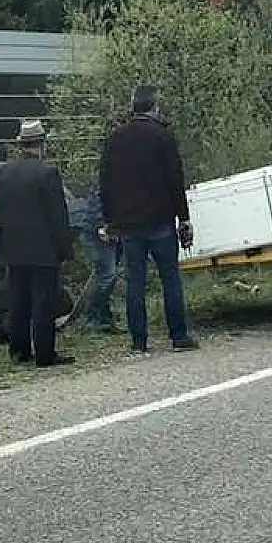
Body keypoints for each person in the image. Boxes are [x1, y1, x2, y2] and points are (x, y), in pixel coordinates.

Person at [97, 84, 199, 354]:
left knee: (135, 281)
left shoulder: (115, 139)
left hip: (129, 224)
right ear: (155, 106)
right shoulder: (162, 137)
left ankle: (139, 341)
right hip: (161, 220)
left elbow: (105, 184)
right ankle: (178, 336)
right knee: (170, 279)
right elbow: (175, 180)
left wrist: (110, 221)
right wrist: (184, 217)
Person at [0, 117, 76, 368]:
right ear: (42, 144)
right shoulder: (47, 173)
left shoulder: (1, 173)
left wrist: (2, 245)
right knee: (43, 303)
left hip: (13, 250)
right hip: (44, 250)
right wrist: (64, 249)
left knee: (18, 302)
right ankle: (45, 354)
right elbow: (57, 216)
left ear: (21, 145)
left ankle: (19, 351)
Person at [77, 186, 121, 334]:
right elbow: (96, 207)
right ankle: (92, 317)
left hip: (111, 232)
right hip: (98, 233)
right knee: (108, 275)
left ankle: (102, 318)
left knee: (106, 276)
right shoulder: (110, 179)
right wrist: (102, 225)